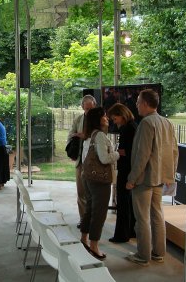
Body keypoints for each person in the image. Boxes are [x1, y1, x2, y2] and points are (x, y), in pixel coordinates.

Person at [126, 89, 178, 266]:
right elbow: (174, 152)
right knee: (157, 215)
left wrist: (132, 178)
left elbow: (142, 155)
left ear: (146, 103)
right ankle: (158, 253)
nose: (136, 104)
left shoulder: (147, 123)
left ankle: (143, 256)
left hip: (145, 179)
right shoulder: (167, 123)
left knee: (142, 218)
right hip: (160, 178)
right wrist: (169, 175)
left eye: (138, 101)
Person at [80, 107, 119, 260]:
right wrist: (116, 154)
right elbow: (104, 159)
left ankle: (84, 238)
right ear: (98, 119)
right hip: (100, 181)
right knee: (99, 213)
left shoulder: (89, 135)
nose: (107, 118)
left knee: (89, 209)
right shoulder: (100, 136)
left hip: (88, 177)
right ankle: (94, 245)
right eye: (104, 116)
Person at [107, 103, 137, 243]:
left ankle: (122, 234)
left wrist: (115, 152)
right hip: (129, 168)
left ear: (122, 115)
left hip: (126, 169)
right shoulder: (133, 126)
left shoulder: (127, 129)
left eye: (115, 118)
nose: (114, 121)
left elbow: (128, 151)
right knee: (129, 202)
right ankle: (130, 230)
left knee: (123, 203)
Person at [67, 94, 97, 228]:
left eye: (91, 108)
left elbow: (101, 137)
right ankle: (83, 220)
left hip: (95, 163)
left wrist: (84, 136)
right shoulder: (78, 120)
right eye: (86, 109)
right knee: (81, 193)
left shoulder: (99, 120)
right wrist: (77, 137)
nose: (89, 111)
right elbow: (70, 135)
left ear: (95, 106)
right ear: (82, 108)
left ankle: (93, 220)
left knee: (93, 193)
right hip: (80, 161)